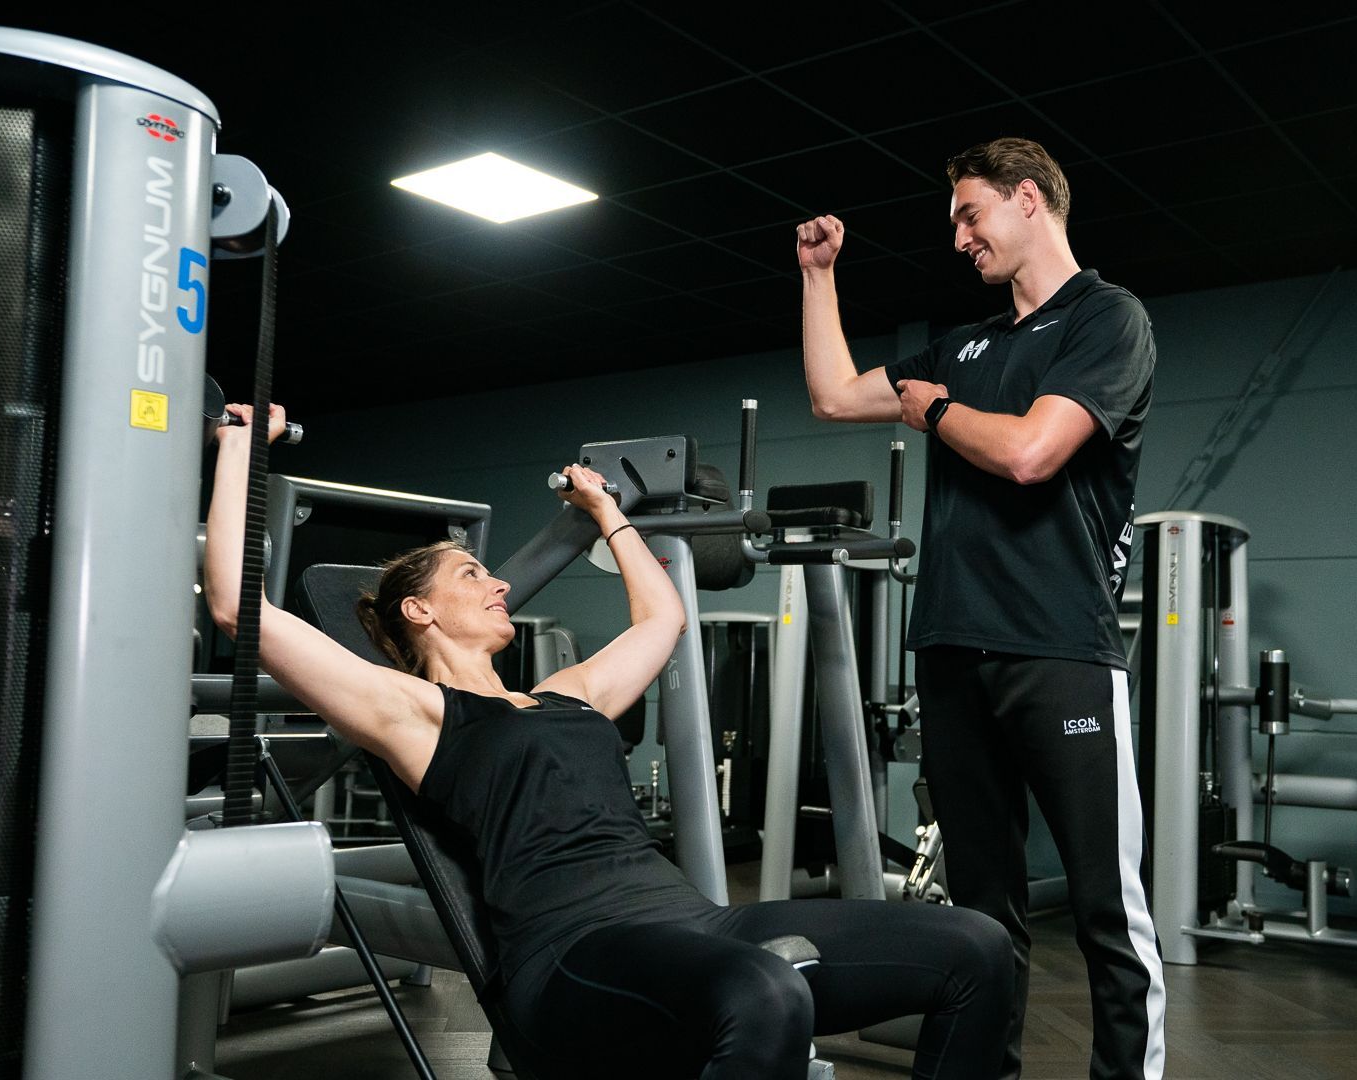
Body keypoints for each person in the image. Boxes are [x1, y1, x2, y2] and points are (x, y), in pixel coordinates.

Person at [204, 403, 1014, 1080]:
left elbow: (663, 618)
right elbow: (239, 608)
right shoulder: (416, 714)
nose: (499, 582)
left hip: (694, 924)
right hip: (573, 953)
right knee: (767, 992)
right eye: (471, 576)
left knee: (978, 949)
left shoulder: (569, 694)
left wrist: (607, 513)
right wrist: (242, 448)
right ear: (419, 612)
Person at [794, 136, 1165, 1080]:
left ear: (1028, 198)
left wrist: (933, 411)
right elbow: (833, 397)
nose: (959, 237)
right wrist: (819, 276)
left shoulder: (1107, 318)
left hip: (1059, 651)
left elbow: (1033, 453)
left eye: (970, 213)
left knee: (1106, 909)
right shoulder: (966, 345)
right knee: (981, 914)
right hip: (952, 651)